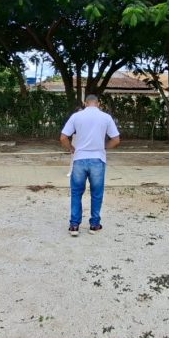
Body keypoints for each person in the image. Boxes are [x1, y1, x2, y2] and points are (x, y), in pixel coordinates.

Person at [60, 95, 121, 237]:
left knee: (76, 193)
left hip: (79, 159)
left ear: (85, 103)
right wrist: (103, 147)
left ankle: (74, 225)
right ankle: (94, 224)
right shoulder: (105, 117)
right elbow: (116, 139)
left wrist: (71, 148)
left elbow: (63, 137)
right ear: (98, 103)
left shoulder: (76, 116)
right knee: (97, 193)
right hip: (98, 159)